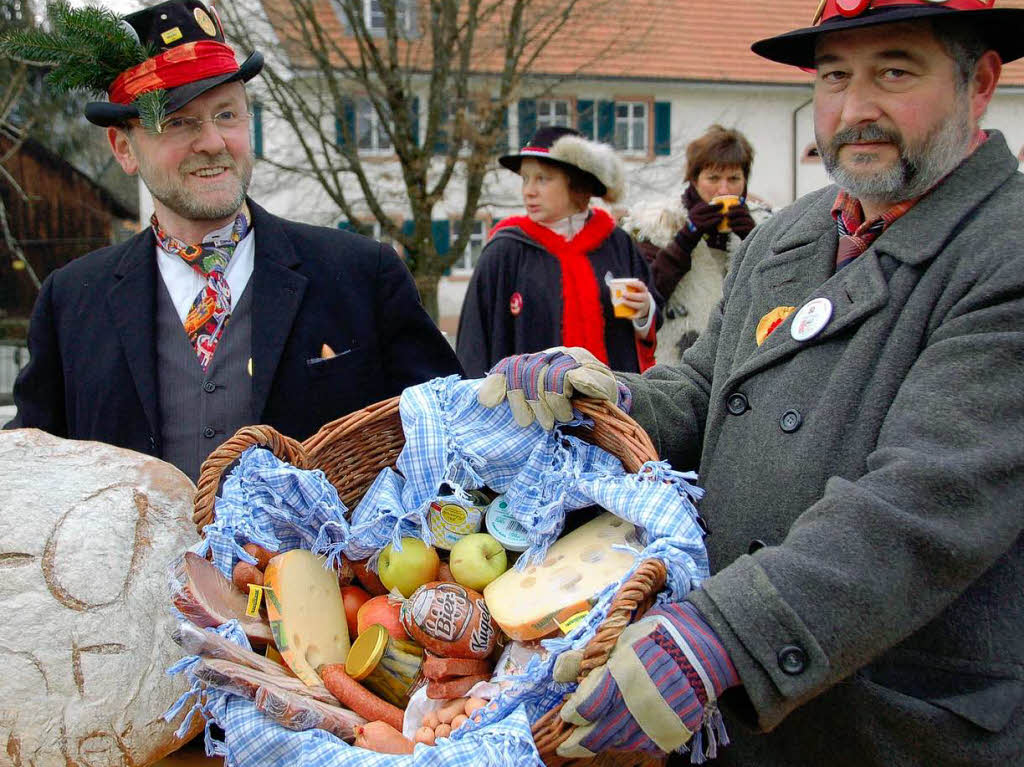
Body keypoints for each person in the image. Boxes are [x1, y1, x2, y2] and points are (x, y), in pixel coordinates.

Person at [476, 1, 1024, 764]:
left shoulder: (1007, 250)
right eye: (833, 76)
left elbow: (925, 503)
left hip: (889, 726)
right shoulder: (787, 235)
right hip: (728, 723)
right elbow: (705, 389)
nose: (855, 109)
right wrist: (605, 395)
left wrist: (728, 633)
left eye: (894, 71)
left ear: (980, 82)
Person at [1, 0, 462, 483]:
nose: (213, 142)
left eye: (227, 115)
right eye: (178, 121)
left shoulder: (362, 274)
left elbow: (451, 433)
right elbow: (32, 473)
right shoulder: (71, 301)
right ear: (123, 148)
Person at [456, 126, 661, 382]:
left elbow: (649, 327)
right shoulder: (504, 251)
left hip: (611, 409)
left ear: (578, 184)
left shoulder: (618, 243)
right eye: (525, 179)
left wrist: (645, 312)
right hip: (527, 415)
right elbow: (473, 345)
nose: (528, 191)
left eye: (543, 179)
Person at [622, 125, 772, 363]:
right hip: (675, 362)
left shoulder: (766, 224)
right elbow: (647, 296)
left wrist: (752, 239)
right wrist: (686, 237)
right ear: (693, 179)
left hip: (741, 361)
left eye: (734, 179)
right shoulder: (659, 223)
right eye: (713, 178)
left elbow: (780, 294)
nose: (723, 189)